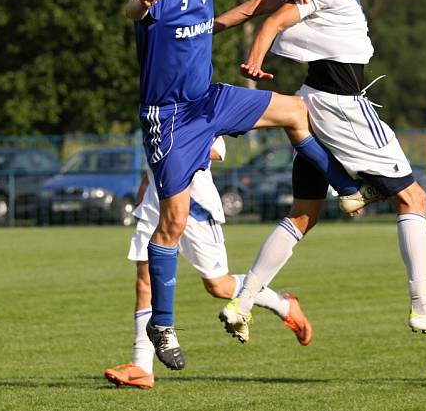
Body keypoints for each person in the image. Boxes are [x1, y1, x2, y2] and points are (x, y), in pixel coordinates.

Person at [213, 0, 426, 343]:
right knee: (414, 199)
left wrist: (202, 30)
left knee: (302, 214)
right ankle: (423, 307)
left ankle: (243, 300)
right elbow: (275, 19)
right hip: (343, 105)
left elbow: (258, 5)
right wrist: (254, 60)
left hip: (313, 99)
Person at [127, 0, 374, 371]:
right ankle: (161, 325)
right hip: (170, 119)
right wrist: (139, 3)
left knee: (295, 112)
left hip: (209, 101)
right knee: (173, 223)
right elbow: (134, 8)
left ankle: (346, 186)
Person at [104, 138, 311, 389]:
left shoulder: (199, 107)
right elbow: (154, 161)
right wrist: (144, 189)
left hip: (194, 206)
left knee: (218, 286)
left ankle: (284, 306)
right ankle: (141, 367)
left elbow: (216, 150)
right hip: (155, 204)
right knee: (144, 280)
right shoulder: (153, 111)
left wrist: (173, 147)